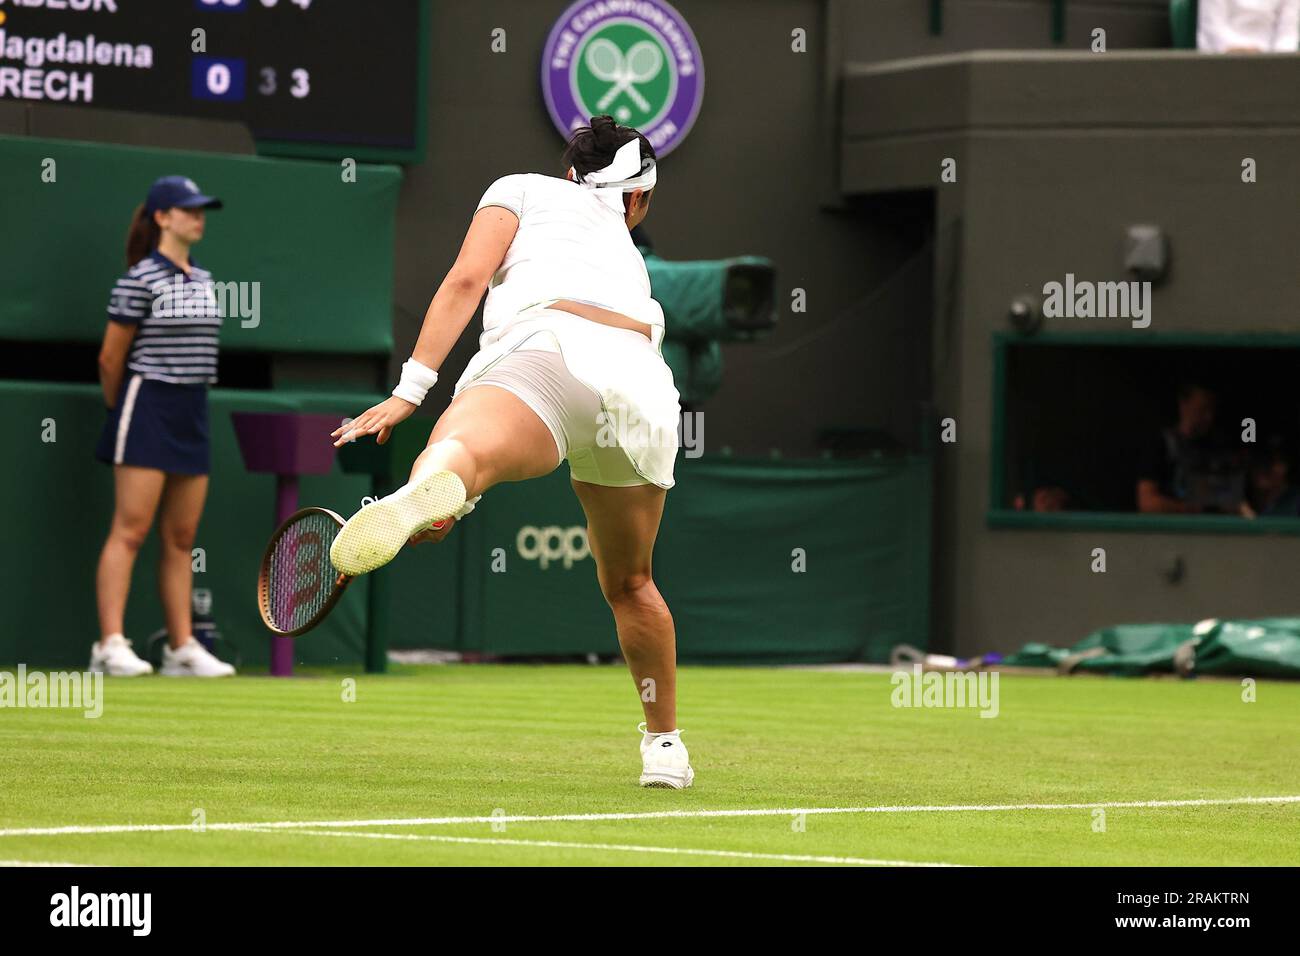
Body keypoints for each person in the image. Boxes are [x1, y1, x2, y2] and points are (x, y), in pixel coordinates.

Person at [328, 116, 692, 788]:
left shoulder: (519, 189)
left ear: (570, 173)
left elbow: (466, 281)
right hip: (642, 387)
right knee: (632, 584)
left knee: (462, 447)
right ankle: (664, 746)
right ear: (637, 198)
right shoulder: (625, 250)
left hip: (551, 353)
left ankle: (432, 493)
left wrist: (411, 390)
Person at [91, 176, 236, 678]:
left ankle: (181, 648)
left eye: (201, 210)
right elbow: (111, 358)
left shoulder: (204, 279)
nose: (198, 218)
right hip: (146, 403)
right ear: (162, 218)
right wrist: (123, 411)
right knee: (130, 531)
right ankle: (110, 644)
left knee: (181, 536)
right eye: (187, 209)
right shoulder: (138, 279)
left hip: (193, 408)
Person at [1135, 383, 1243, 514]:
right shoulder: (1162, 444)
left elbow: (1232, 502)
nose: (1208, 417)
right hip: (1168, 530)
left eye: (1212, 410)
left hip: (1207, 530)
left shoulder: (1217, 449)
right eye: (1202, 409)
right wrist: (1189, 508)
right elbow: (1148, 503)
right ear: (1184, 405)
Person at [1198, 0, 1300, 52]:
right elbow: (1212, 28)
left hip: (1270, 63)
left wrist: (1276, 62)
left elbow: (1287, 33)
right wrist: (1238, 53)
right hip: (1220, 59)